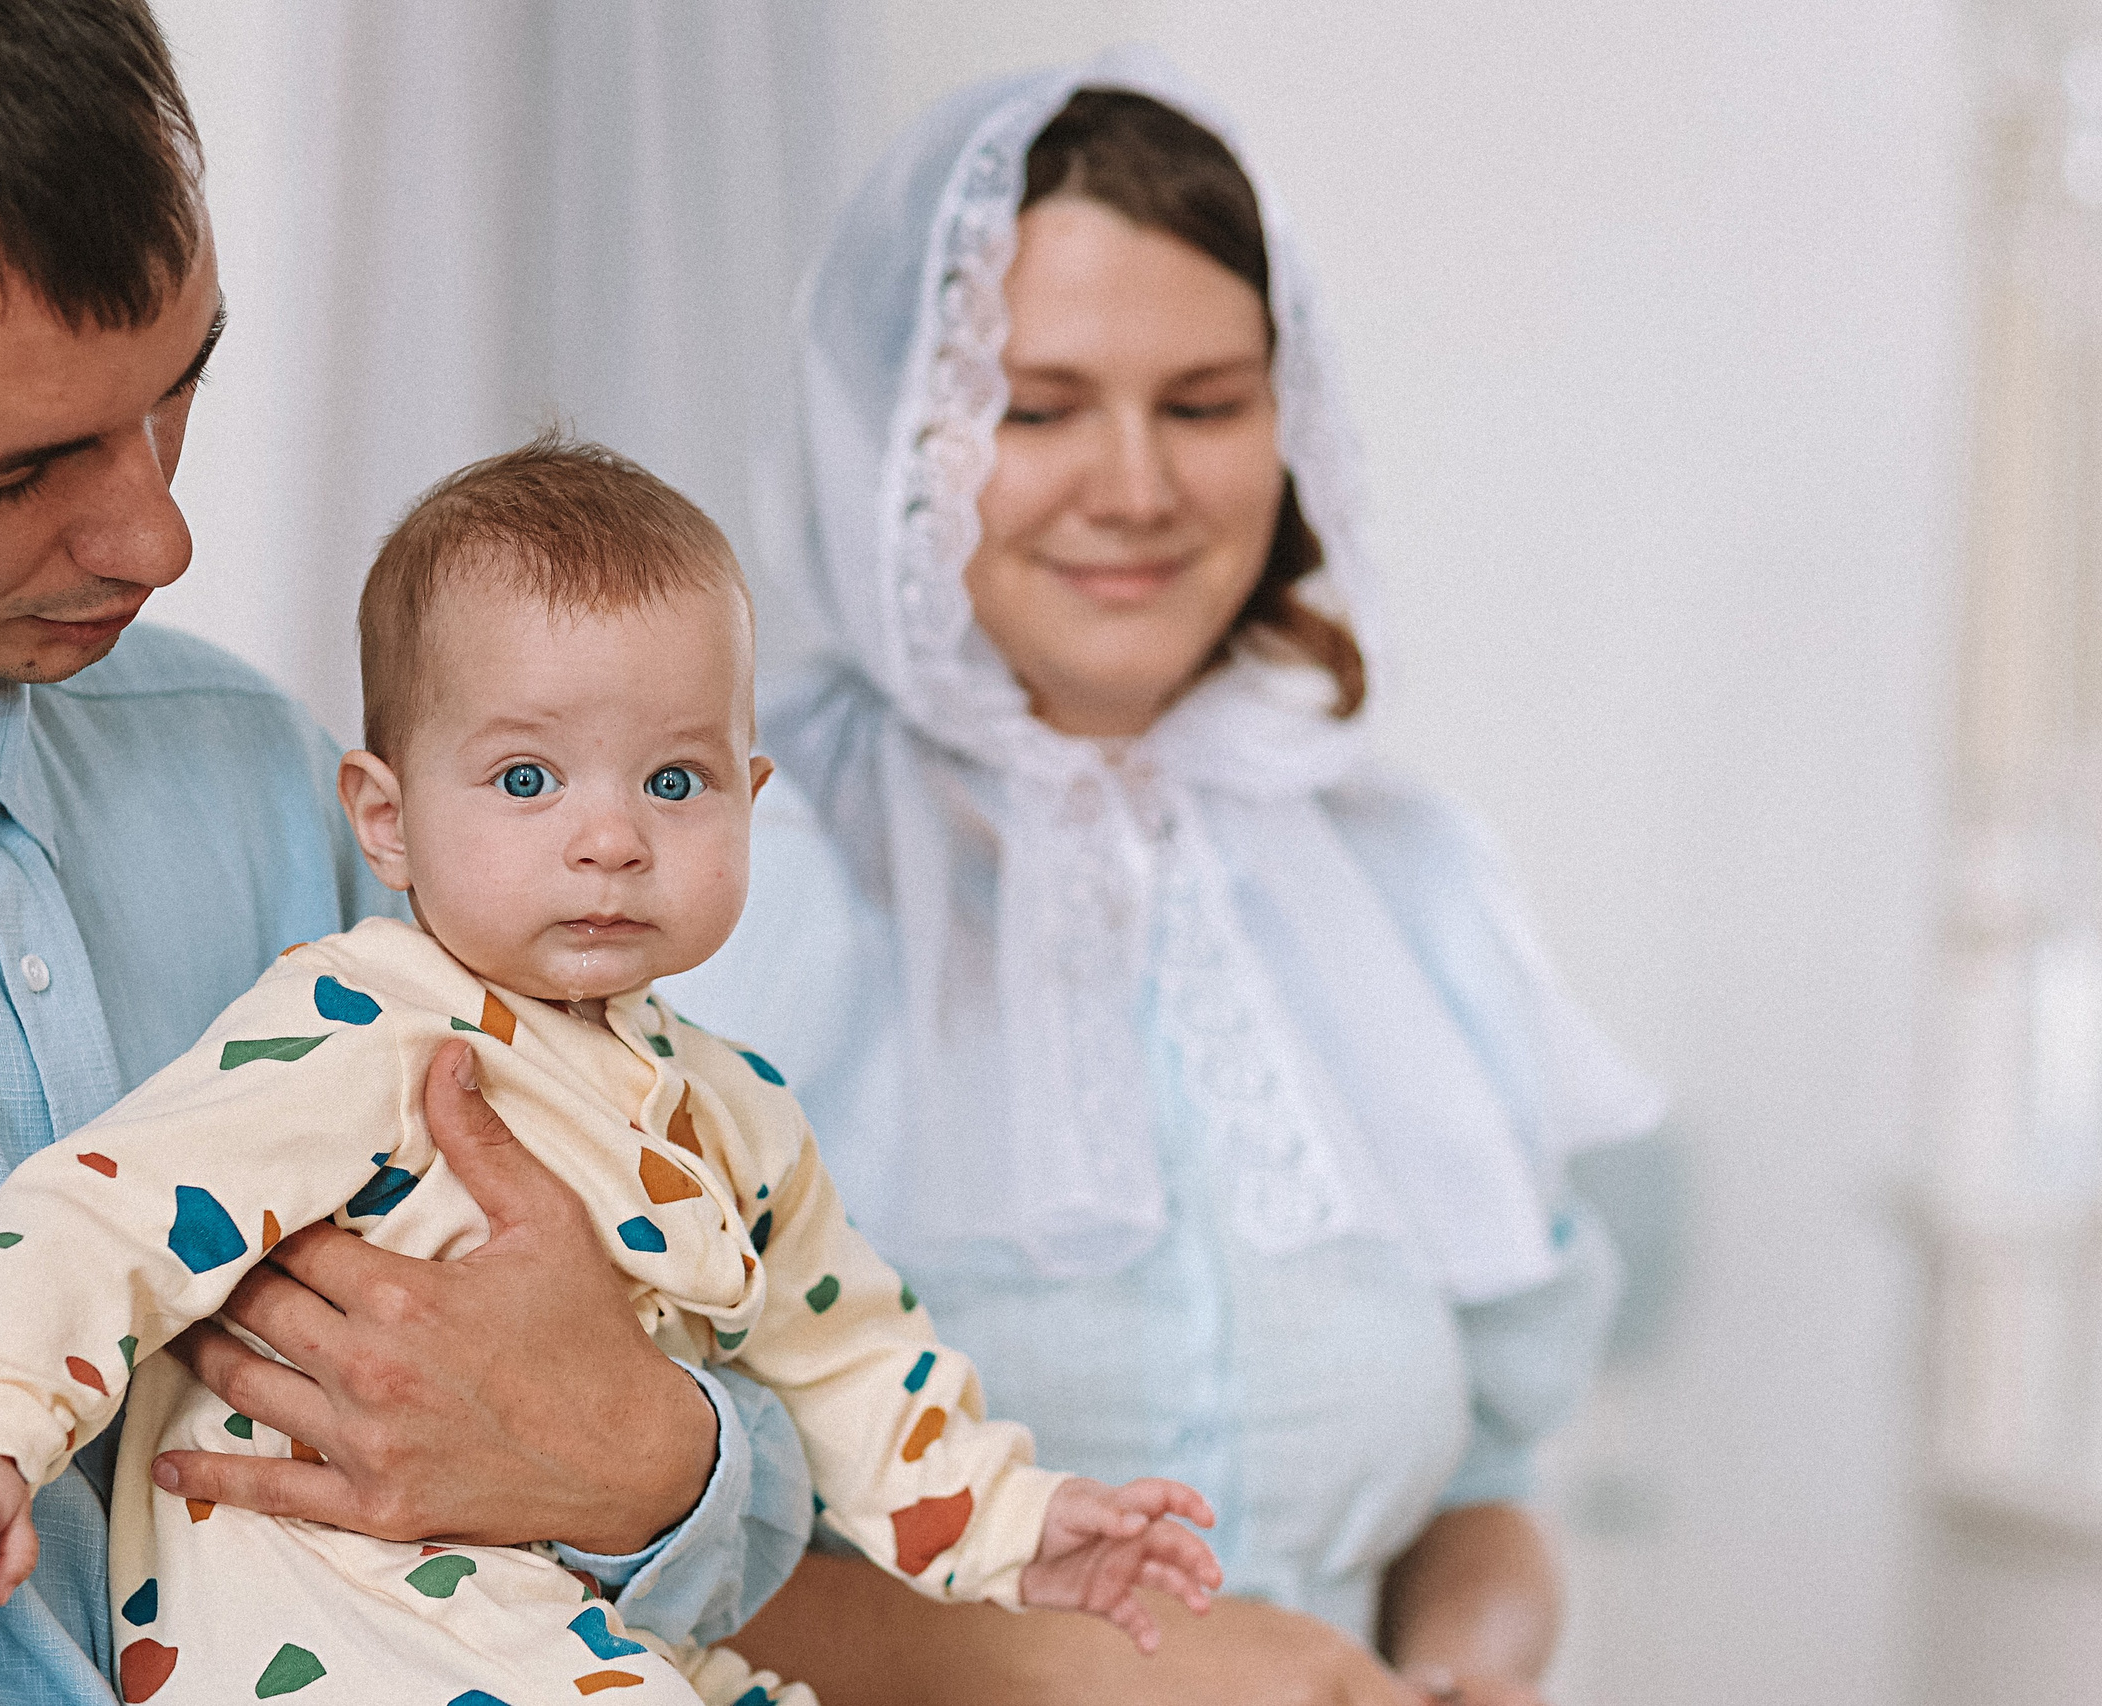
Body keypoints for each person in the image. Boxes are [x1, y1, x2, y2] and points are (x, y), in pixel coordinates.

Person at [0, 6, 812, 1702]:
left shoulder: (246, 760)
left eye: (180, 384)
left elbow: (729, 1376)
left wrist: (651, 1455)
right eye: (16, 470)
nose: (158, 535)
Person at [0, 438, 1225, 1706]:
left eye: (675, 783)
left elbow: (851, 1356)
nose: (609, 838)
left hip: (575, 1626)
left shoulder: (737, 1110)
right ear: (386, 819)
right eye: (527, 780)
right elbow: (112, 1203)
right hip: (351, 1638)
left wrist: (1017, 1530)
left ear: (753, 797)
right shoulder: (363, 1023)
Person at [664, 50, 1666, 1706]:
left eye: (1203, 404)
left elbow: (1488, 1486)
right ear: (890, 438)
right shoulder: (719, 885)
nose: (1135, 485)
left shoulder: (1416, 886)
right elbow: (591, 1532)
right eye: (1040, 408)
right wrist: (1108, 1672)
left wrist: (1458, 1672)